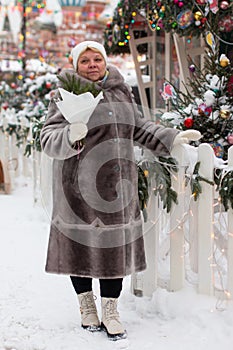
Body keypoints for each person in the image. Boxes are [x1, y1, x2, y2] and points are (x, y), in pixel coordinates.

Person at [40, 40, 201, 341]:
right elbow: (47, 137)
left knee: (115, 250)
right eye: (84, 60)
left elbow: (137, 127)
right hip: (77, 188)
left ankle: (111, 311)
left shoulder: (120, 90)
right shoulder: (65, 94)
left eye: (96, 58)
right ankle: (87, 306)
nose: (92, 64)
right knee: (82, 249)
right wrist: (69, 135)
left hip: (117, 188)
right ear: (75, 66)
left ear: (105, 61)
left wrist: (171, 137)